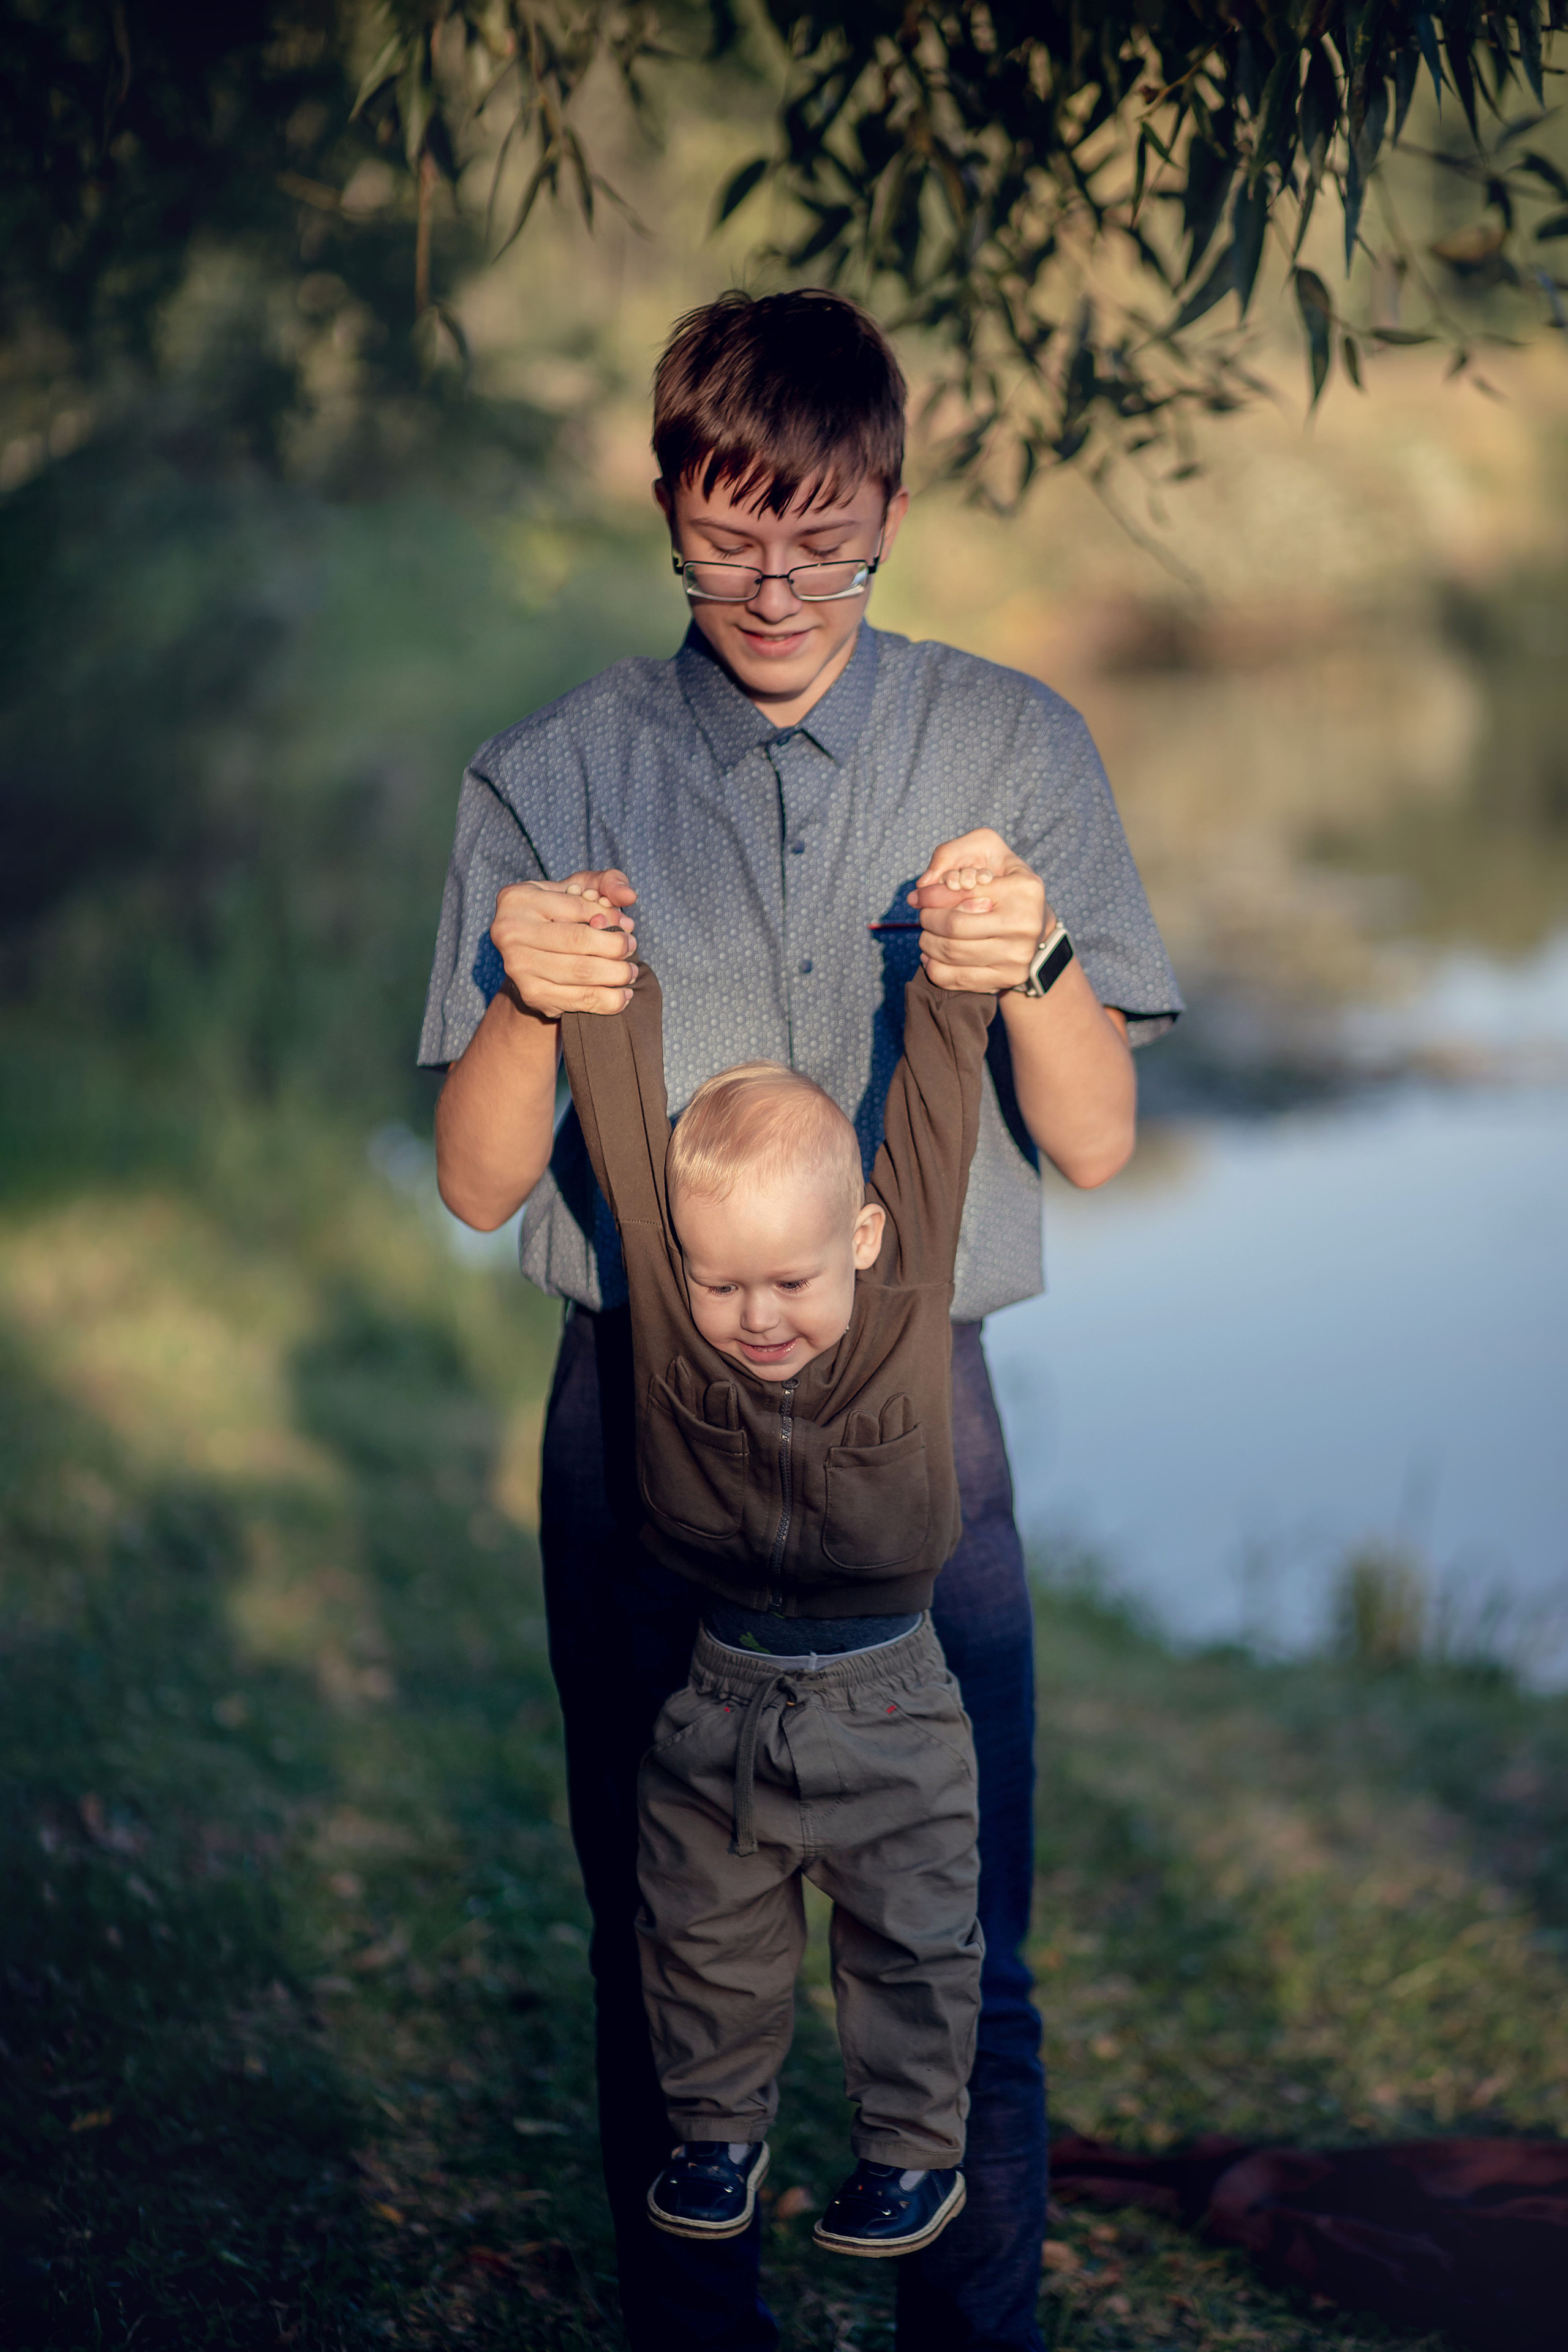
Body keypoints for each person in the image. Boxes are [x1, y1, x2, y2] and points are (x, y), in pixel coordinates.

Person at [423, 288, 1181, 2352]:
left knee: (960, 1940)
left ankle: (974, 2330)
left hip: (925, 1433)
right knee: (663, 1937)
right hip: (633, 1429)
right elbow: (483, 1181)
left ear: (892, 508)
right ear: (667, 497)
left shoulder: (1011, 740)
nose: (779, 579)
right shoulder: (552, 770)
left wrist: (1029, 972)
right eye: (735, 528)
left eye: (828, 533)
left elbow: (1096, 1145)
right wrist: (522, 996)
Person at [559, 930, 1000, 2260]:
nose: (756, 1317)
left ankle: (912, 2156)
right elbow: (631, 1147)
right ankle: (715, 2135)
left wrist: (952, 981)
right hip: (720, 1697)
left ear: (861, 1240)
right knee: (701, 1938)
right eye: (720, 1284)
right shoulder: (673, 1313)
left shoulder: (899, 1293)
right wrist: (609, 987)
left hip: (892, 1704)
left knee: (913, 1943)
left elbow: (932, 1114)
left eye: (790, 1282)